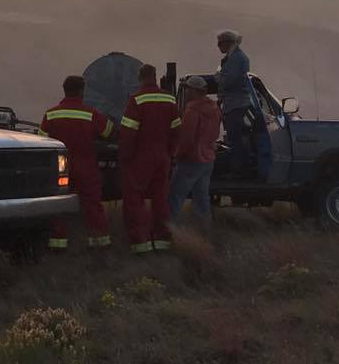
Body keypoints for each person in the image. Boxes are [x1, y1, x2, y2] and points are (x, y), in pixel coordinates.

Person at [38, 75, 114, 250]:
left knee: (58, 205)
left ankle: (58, 244)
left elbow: (41, 141)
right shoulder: (90, 113)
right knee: (93, 206)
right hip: (86, 167)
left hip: (60, 168)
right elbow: (109, 131)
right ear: (81, 91)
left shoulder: (51, 114)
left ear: (64, 90)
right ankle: (99, 244)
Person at [119, 63, 181, 253]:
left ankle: (140, 244)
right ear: (155, 76)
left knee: (134, 198)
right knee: (160, 199)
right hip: (162, 156)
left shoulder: (136, 100)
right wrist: (170, 153)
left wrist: (125, 157)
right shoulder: (170, 99)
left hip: (141, 157)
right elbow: (177, 129)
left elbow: (128, 132)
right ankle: (163, 242)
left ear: (140, 77)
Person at [169, 75, 222, 227]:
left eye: (187, 89)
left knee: (175, 196)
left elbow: (186, 140)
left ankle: (169, 230)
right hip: (208, 160)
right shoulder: (214, 108)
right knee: (202, 198)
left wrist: (177, 156)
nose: (185, 92)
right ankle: (205, 230)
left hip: (191, 160)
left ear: (193, 91)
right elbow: (216, 134)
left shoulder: (192, 111)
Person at [216, 30, 269, 179]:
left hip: (236, 105)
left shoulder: (236, 58)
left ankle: (238, 172)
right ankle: (240, 169)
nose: (218, 46)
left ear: (227, 42)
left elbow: (229, 81)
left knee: (235, 139)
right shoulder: (234, 58)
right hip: (236, 104)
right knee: (237, 138)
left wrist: (218, 78)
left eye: (220, 43)